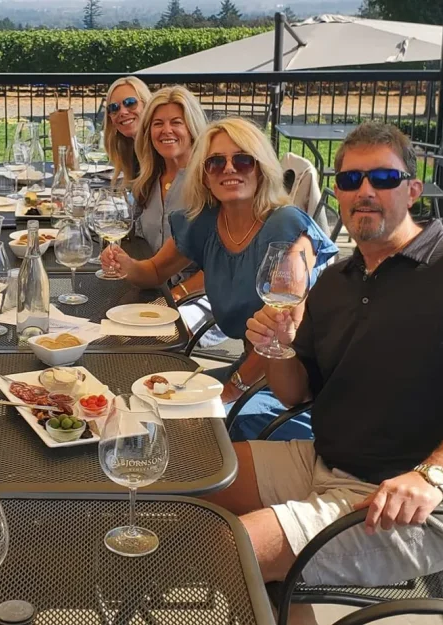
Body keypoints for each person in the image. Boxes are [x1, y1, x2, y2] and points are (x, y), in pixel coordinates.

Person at [212, 122, 443, 619]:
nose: (364, 192)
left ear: (412, 190)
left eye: (383, 178)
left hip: (415, 503)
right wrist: (277, 350)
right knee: (198, 477)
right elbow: (295, 395)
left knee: (223, 550)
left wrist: (432, 476)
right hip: (324, 462)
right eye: (350, 180)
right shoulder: (336, 280)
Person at [104, 118, 338, 441]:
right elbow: (156, 272)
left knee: (181, 431)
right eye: (216, 162)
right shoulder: (207, 222)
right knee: (140, 397)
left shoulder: (285, 227)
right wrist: (128, 265)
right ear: (204, 174)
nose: (230, 169)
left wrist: (230, 390)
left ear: (261, 168)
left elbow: (276, 335)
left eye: (243, 159)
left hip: (293, 391)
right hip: (246, 371)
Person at [130, 85, 206, 291]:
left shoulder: (208, 183)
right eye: (157, 124)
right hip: (150, 287)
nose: (166, 130)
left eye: (176, 122)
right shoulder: (148, 180)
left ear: (192, 128)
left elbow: (223, 264)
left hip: (195, 300)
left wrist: (176, 297)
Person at [102, 76, 152, 184]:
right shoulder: (130, 151)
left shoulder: (160, 150)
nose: (123, 112)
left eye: (130, 102)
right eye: (114, 108)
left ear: (147, 105)